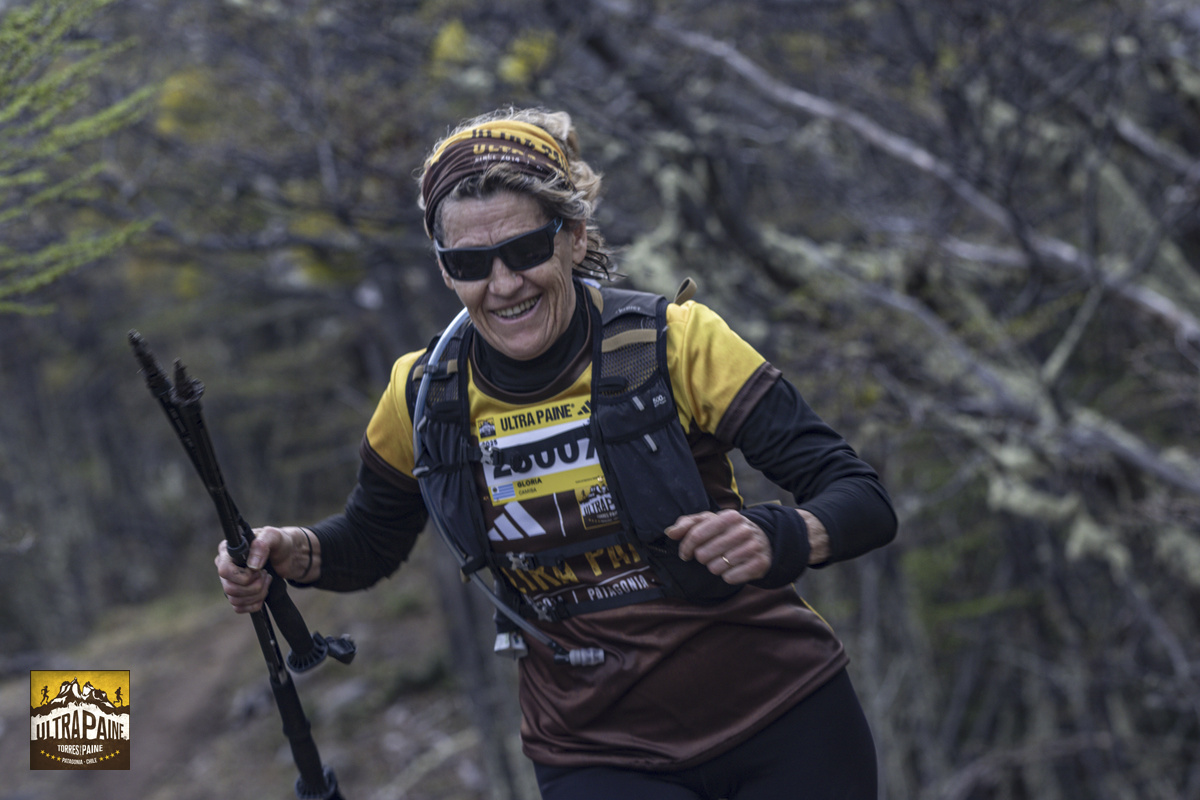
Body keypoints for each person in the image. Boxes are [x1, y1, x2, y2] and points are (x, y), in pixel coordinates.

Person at [216, 107, 897, 799]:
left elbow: (860, 497)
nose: (504, 284)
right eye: (470, 263)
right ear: (445, 269)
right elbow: (370, 543)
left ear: (572, 236)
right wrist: (288, 551)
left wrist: (776, 535)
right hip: (595, 751)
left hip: (782, 717)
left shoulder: (675, 344)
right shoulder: (422, 396)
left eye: (525, 251)